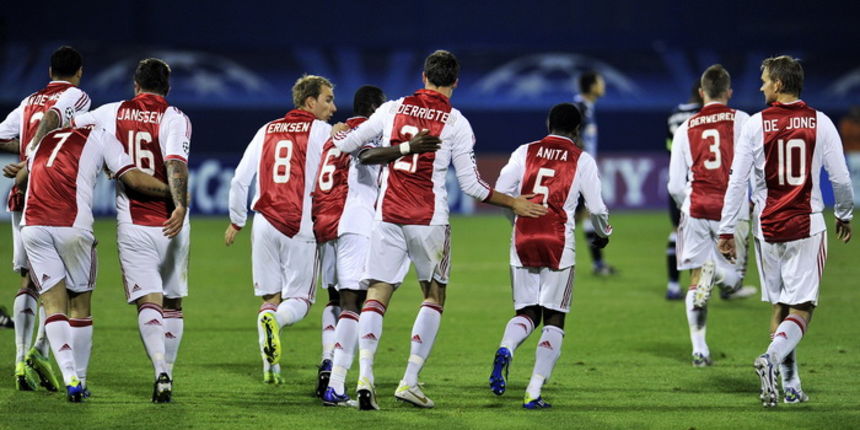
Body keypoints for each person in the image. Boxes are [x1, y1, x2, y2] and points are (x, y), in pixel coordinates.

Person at [331, 50, 546, 410]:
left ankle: (364, 377)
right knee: (433, 295)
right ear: (455, 82)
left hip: (387, 216)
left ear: (423, 76)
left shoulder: (392, 109)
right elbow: (473, 186)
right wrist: (513, 202)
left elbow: (348, 146)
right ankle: (409, 381)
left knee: (377, 294)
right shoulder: (457, 122)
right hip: (429, 220)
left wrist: (339, 130)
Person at [717, 55, 853, 407]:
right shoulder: (820, 122)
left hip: (768, 229)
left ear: (779, 84)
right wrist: (843, 213)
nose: (761, 85)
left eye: (764, 80)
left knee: (780, 304)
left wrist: (727, 229)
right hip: (806, 226)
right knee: (803, 307)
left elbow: (737, 181)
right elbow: (840, 178)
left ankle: (790, 384)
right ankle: (772, 361)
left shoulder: (755, 124)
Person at [15, 124, 178, 401]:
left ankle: (70, 379)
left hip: (32, 226)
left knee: (53, 304)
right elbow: (135, 180)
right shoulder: (101, 135)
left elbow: (20, 178)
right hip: (71, 224)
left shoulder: (47, 138)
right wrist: (174, 193)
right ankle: (81, 377)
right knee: (79, 305)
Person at [72, 58, 191, 402]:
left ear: (136, 86)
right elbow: (175, 163)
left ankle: (159, 370)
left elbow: (69, 128)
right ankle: (169, 370)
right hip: (173, 222)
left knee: (148, 302)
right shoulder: (176, 118)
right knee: (173, 302)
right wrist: (180, 205)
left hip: (133, 221)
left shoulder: (110, 112)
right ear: (167, 88)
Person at [315, 86, 443, 406]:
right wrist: (406, 147)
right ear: (376, 107)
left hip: (337, 224)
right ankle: (339, 382)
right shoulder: (370, 132)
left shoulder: (340, 132)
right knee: (361, 303)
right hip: (364, 224)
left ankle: (335, 377)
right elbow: (369, 156)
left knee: (346, 302)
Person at [489, 103, 611, 409]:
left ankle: (506, 348)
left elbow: (502, 192)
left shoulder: (524, 151)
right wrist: (604, 232)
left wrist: (518, 219)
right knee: (554, 317)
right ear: (577, 129)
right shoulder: (581, 159)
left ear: (548, 123)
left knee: (527, 312)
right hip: (558, 241)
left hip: (523, 238)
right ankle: (533, 391)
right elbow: (596, 208)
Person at [225, 74, 335, 387]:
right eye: (327, 100)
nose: (333, 107)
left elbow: (239, 181)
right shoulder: (321, 132)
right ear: (310, 102)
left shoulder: (266, 129)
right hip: (300, 223)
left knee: (271, 297)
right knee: (299, 300)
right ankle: (276, 320)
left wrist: (237, 220)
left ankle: (270, 369)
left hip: (264, 223)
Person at [0, 45, 90, 392]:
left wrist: (24, 151)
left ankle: (21, 360)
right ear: (78, 72)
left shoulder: (27, 102)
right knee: (61, 284)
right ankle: (39, 351)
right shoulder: (78, 96)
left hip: (21, 198)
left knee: (28, 280)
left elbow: (4, 136)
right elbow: (56, 121)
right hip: (51, 196)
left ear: (50, 71)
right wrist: (31, 158)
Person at [667, 65, 756, 366]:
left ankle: (699, 349)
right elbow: (755, 168)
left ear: (702, 93)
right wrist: (753, 200)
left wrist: (687, 203)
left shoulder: (685, 128)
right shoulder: (743, 121)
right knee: (733, 282)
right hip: (732, 211)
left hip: (695, 208)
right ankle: (717, 273)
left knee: (695, 280)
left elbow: (675, 185)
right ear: (729, 92)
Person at [572, 70, 614, 275]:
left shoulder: (587, 108)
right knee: (578, 217)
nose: (603, 86)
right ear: (591, 87)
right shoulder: (578, 108)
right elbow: (569, 137)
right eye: (600, 83)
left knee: (582, 217)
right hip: (578, 173)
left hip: (583, 172)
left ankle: (598, 265)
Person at [664, 83, 702, 299]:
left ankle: (672, 286)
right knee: (697, 235)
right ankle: (697, 288)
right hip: (697, 180)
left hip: (675, 177)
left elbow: (669, 146)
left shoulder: (673, 114)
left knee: (676, 230)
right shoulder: (701, 115)